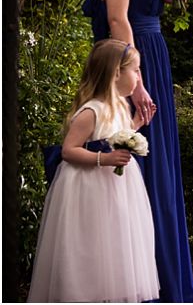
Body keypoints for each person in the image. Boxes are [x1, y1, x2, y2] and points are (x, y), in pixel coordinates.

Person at [82, 0, 193, 302]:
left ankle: (164, 280)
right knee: (140, 168)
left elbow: (135, 6)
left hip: (147, 59)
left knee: (158, 170)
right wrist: (136, 83)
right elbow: (117, 21)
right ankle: (146, 288)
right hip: (130, 68)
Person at [28, 40, 159, 302]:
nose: (138, 77)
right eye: (135, 70)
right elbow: (68, 150)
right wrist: (105, 159)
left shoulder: (121, 106)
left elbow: (115, 136)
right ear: (116, 73)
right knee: (90, 244)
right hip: (90, 188)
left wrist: (135, 124)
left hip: (116, 190)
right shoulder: (91, 111)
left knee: (114, 245)